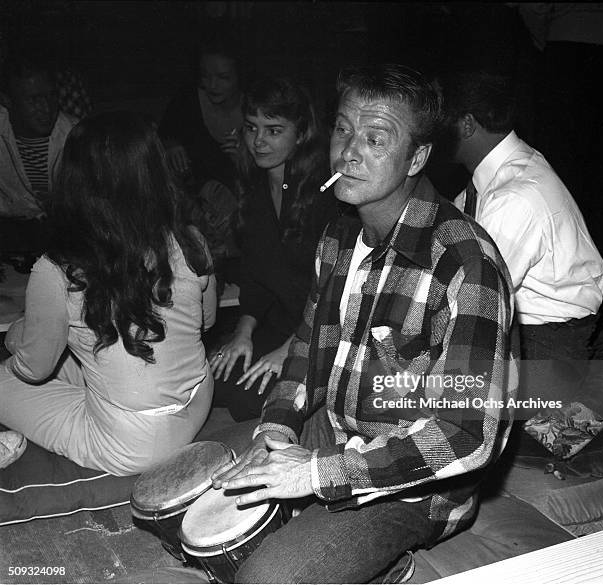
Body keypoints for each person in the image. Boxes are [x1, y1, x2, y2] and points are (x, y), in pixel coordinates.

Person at [210, 64, 518, 584]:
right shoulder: (337, 238)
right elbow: (306, 352)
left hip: (415, 483)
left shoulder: (467, 263)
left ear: (416, 157)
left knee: (264, 579)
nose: (349, 151)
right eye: (344, 130)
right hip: (335, 430)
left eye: (375, 138)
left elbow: (466, 435)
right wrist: (276, 431)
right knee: (206, 471)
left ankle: (386, 563)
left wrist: (314, 472)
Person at [0, 112, 217, 476]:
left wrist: (14, 336)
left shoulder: (56, 270)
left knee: (17, 369)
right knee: (79, 351)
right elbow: (206, 321)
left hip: (134, 443)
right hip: (197, 401)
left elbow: (33, 369)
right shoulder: (190, 238)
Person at [441, 69, 603, 417]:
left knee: (421, 396)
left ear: (467, 124)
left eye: (442, 121)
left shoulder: (514, 196)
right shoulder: (507, 169)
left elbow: (476, 300)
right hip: (538, 332)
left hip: (548, 346)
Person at [209, 76, 338, 422]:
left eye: (274, 130)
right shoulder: (254, 186)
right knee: (212, 376)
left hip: (322, 331)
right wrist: (242, 332)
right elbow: (256, 274)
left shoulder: (326, 193)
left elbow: (333, 291)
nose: (258, 141)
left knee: (255, 401)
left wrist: (290, 350)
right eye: (252, 128)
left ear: (300, 133)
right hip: (279, 320)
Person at [0, 54, 77, 249]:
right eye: (33, 100)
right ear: (6, 100)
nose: (46, 107)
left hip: (64, 235)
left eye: (51, 96)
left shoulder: (76, 135)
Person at [158, 30, 244, 193]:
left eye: (223, 77)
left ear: (240, 75)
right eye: (205, 75)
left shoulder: (257, 109)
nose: (212, 85)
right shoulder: (187, 100)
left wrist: (246, 160)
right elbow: (163, 136)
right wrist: (171, 147)